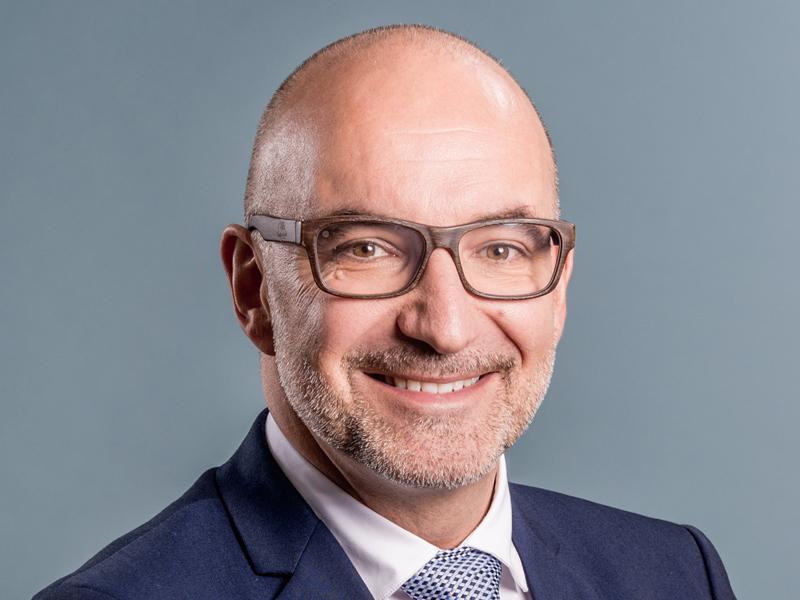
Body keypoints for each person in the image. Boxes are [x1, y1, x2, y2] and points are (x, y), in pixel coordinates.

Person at [34, 24, 736, 600]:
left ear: (559, 286)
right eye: (365, 248)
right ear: (255, 289)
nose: (445, 328)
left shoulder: (675, 575)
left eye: (500, 248)